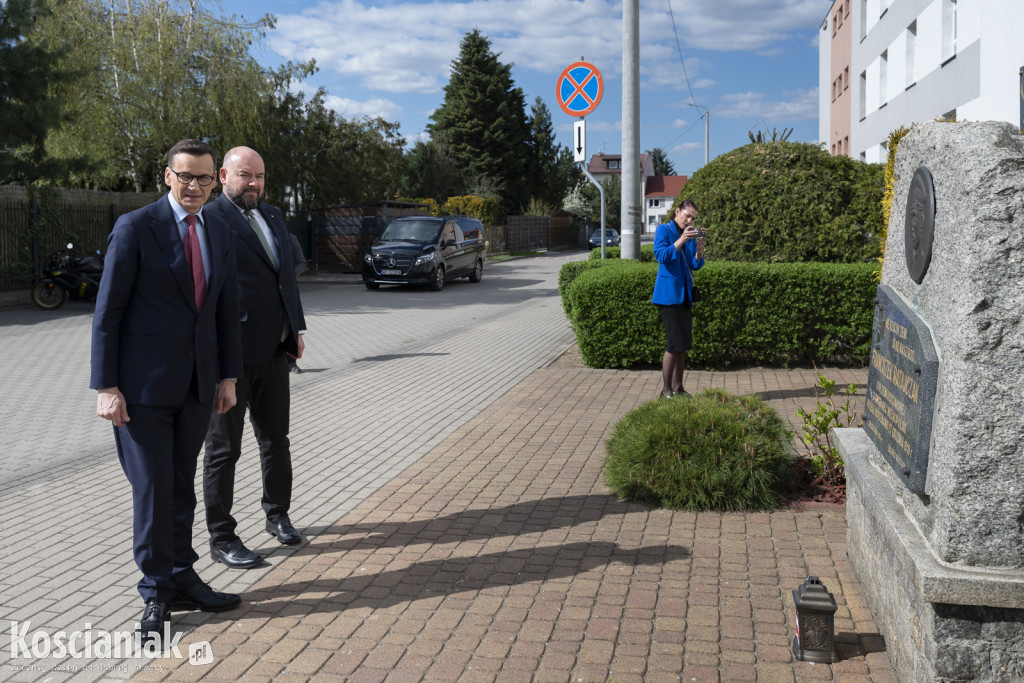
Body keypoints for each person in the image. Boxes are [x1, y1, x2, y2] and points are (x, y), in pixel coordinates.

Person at [90, 139, 243, 641]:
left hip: (198, 386)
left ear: (213, 179)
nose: (195, 187)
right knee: (154, 492)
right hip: (141, 392)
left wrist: (226, 376)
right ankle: (155, 593)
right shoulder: (136, 228)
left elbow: (224, 311)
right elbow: (108, 312)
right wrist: (106, 385)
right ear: (167, 176)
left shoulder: (219, 228)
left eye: (204, 178)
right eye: (186, 177)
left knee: (180, 491)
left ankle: (181, 576)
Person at [202, 146, 306, 570]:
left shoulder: (276, 216)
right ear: (224, 175)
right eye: (246, 175)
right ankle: (221, 537)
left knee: (275, 442)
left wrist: (295, 328)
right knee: (223, 451)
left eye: (260, 176)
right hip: (229, 360)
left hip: (273, 352)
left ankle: (277, 515)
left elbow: (287, 279)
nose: (254, 184)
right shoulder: (210, 219)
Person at [651, 200, 706, 398]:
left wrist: (699, 252)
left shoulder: (690, 236)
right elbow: (661, 256)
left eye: (693, 218)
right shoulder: (663, 230)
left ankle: (679, 388)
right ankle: (666, 389)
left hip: (684, 296)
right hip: (667, 296)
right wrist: (682, 239)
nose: (689, 220)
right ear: (677, 211)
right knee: (674, 344)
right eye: (687, 216)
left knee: (683, 345)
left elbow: (693, 265)